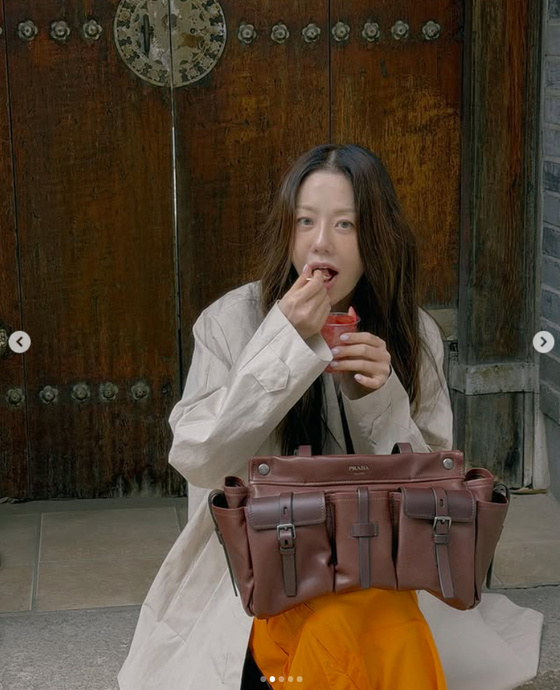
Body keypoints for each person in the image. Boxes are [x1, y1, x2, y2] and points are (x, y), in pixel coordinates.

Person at [118, 144, 542, 690]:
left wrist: (378, 397)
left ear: (376, 237)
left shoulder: (413, 332)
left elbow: (438, 487)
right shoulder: (231, 321)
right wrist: (282, 347)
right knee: (337, 632)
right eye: (305, 221)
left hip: (379, 558)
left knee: (381, 624)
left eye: (346, 224)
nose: (321, 242)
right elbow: (198, 457)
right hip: (267, 564)